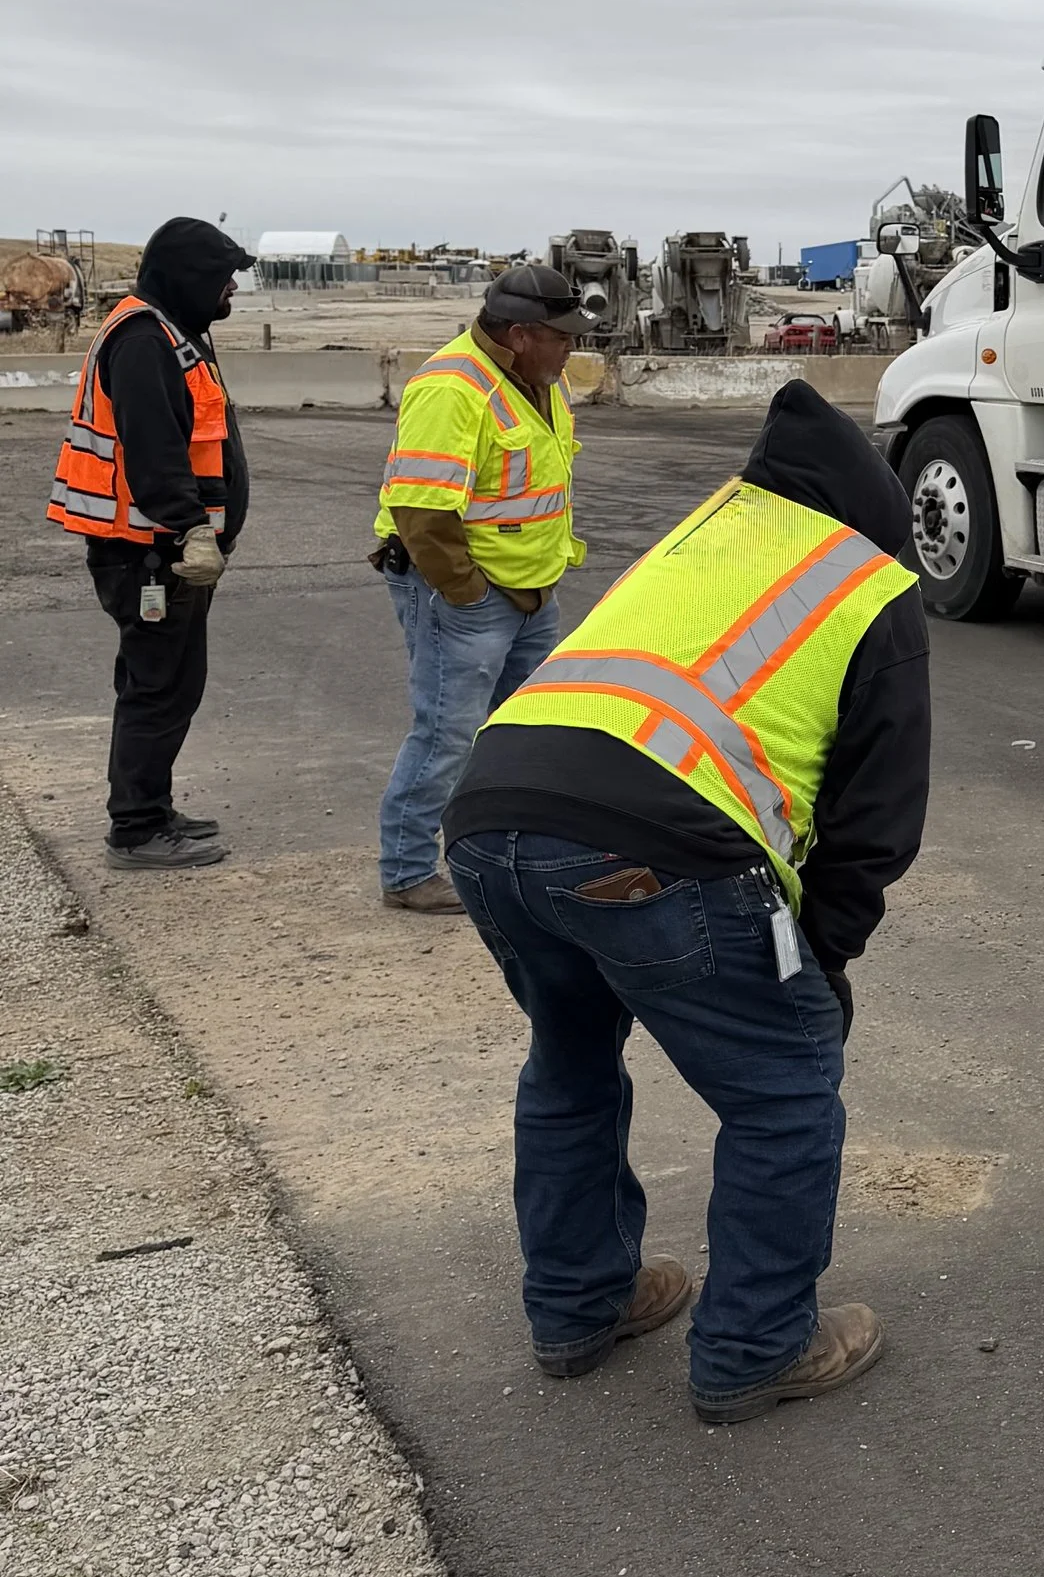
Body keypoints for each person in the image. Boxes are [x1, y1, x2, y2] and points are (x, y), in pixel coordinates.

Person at [442, 383, 930, 1424]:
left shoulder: (705, 536)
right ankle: (756, 1345)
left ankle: (579, 1306)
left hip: (489, 822)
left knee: (568, 1061)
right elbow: (877, 825)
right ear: (876, 514)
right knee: (784, 1090)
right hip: (653, 850)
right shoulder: (866, 582)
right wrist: (822, 960)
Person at [374, 264, 589, 913]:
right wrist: (466, 596)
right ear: (521, 334)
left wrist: (537, 581)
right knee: (446, 731)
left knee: (521, 731)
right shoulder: (452, 386)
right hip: (468, 596)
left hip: (531, 591)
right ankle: (408, 869)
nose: (572, 347)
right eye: (562, 335)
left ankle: (501, 851)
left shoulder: (542, 380)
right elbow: (423, 512)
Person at [45, 217, 257, 868]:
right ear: (190, 277)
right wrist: (191, 530)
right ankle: (135, 828)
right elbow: (155, 451)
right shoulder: (143, 339)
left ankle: (151, 806)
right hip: (150, 553)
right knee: (157, 685)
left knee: (170, 681)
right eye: (223, 279)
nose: (230, 291)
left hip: (165, 551)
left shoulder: (176, 331)